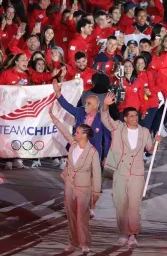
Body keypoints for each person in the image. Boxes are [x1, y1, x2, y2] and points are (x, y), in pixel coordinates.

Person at [101, 92, 161, 248]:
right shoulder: (118, 128)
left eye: (136, 115)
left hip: (137, 173)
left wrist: (156, 142)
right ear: (125, 118)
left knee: (134, 205)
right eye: (132, 116)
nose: (135, 118)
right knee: (121, 203)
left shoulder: (145, 132)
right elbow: (105, 119)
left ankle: (132, 234)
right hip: (121, 171)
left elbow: (150, 149)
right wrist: (106, 105)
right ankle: (122, 232)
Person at [49, 106, 101, 254]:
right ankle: (72, 242)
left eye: (77, 132)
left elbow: (97, 174)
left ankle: (84, 243)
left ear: (85, 135)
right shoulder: (73, 144)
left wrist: (96, 192)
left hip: (84, 187)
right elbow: (64, 131)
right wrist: (53, 117)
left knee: (81, 218)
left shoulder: (92, 152)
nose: (75, 134)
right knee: (71, 217)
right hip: (70, 185)